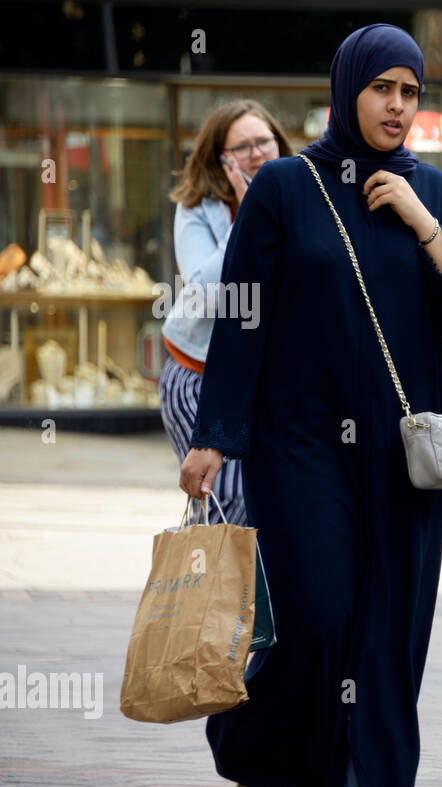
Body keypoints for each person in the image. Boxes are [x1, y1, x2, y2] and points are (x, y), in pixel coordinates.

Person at [178, 24, 442, 787]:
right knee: (318, 621)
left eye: (411, 92)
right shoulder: (286, 187)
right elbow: (242, 314)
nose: (398, 106)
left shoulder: (432, 190)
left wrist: (427, 223)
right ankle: (260, 752)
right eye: (383, 88)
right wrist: (216, 435)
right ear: (348, 89)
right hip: (302, 450)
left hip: (402, 457)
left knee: (386, 641)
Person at [160, 100, 292, 526]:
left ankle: (246, 593)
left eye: (263, 142)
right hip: (198, 376)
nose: (256, 152)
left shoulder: (299, 199)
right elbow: (204, 293)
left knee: (267, 502)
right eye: (242, 146)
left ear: (280, 144)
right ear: (221, 159)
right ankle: (198, 586)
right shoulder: (197, 206)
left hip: (263, 383)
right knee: (226, 496)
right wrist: (248, 217)